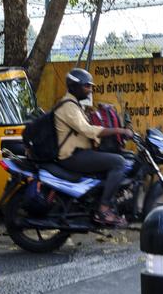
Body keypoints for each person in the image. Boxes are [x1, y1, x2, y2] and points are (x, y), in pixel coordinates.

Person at [54, 68, 134, 227]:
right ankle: (103, 210)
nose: (90, 89)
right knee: (118, 162)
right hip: (72, 156)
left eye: (90, 86)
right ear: (74, 87)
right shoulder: (68, 107)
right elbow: (87, 130)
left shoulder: (75, 105)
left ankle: (101, 201)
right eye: (86, 86)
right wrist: (118, 131)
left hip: (80, 152)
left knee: (119, 157)